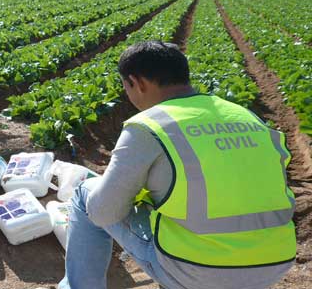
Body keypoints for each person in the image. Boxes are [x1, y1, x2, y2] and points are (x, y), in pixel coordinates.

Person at [58, 41, 296, 289]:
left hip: (200, 273)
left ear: (136, 83)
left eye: (126, 87)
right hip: (274, 263)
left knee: (86, 195)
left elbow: (103, 213)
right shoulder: (245, 115)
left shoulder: (148, 125)